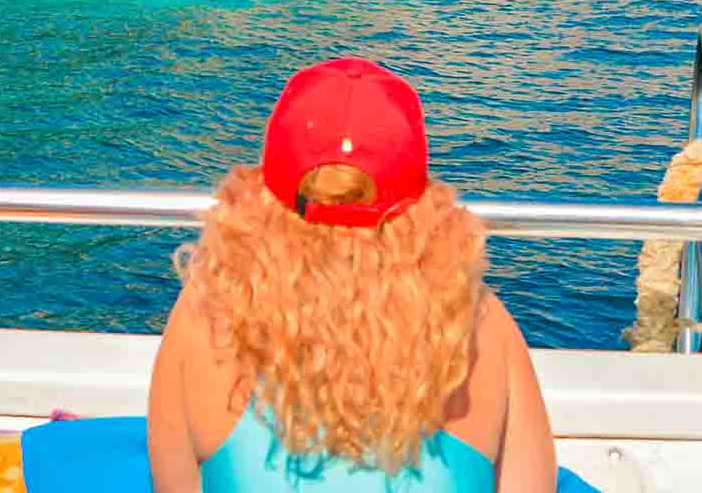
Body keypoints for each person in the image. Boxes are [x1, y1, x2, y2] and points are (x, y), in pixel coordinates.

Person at [147, 58, 557, 493]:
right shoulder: (481, 325)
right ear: (421, 205)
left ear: (263, 197)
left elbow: (174, 485)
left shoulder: (203, 316)